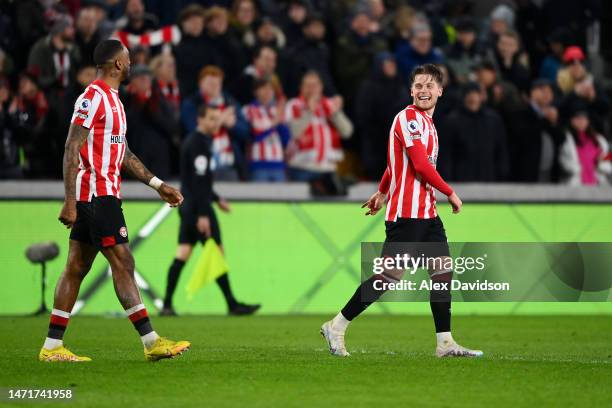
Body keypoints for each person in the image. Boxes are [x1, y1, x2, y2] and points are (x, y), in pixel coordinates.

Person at [39, 39, 189, 362]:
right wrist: (70, 201)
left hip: (101, 194)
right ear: (118, 64)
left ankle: (52, 347)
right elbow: (71, 148)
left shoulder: (115, 102)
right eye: (128, 59)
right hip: (96, 195)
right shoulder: (91, 99)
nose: (131, 63)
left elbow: (123, 154)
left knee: (76, 266)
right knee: (124, 261)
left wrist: (157, 184)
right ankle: (151, 342)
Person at [320, 64, 482, 358]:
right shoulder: (408, 118)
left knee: (442, 271)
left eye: (429, 85)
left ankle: (444, 342)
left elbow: (397, 164)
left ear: (440, 91)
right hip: (407, 214)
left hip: (427, 213)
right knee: (388, 277)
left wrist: (382, 191)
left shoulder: (429, 124)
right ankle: (337, 326)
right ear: (411, 91)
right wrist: (450, 192)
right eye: (418, 85)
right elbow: (419, 165)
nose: (424, 90)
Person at [162, 105, 261, 316]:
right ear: (200, 120)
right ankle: (232, 304)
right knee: (216, 252)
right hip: (198, 208)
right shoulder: (199, 145)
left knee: (183, 253)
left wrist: (217, 198)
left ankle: (167, 305)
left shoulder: (195, 142)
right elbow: (199, 183)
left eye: (217, 119)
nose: (216, 123)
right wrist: (204, 214)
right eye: (211, 119)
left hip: (189, 205)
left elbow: (198, 181)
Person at [181, 65, 249, 181]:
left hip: (229, 166)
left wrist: (232, 125)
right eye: (210, 84)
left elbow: (245, 132)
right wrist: (222, 119)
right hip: (202, 164)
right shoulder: (192, 104)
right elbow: (195, 131)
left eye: (217, 84)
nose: (214, 87)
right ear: (201, 83)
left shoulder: (230, 102)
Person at [284, 70, 353, 182]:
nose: (311, 89)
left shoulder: (329, 104)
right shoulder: (293, 105)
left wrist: (335, 114)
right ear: (301, 87)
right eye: (308, 85)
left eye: (315, 85)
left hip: (328, 169)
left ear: (321, 87)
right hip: (302, 169)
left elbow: (347, 132)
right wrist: (308, 112)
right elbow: (294, 133)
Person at [438, 82, 509, 182]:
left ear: (481, 97)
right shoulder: (452, 121)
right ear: (463, 98)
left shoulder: (493, 119)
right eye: (469, 95)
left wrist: (502, 173)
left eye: (476, 95)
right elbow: (446, 155)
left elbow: (501, 149)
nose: (473, 99)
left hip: (489, 178)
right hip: (461, 180)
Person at [242, 78, 290, 181]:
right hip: (259, 165)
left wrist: (280, 122)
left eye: (270, 88)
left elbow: (285, 138)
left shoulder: (276, 110)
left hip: (278, 164)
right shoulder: (249, 109)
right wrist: (276, 120)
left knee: (280, 196)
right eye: (264, 88)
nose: (268, 91)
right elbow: (257, 133)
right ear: (256, 91)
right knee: (259, 196)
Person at [559, 108, 611, 186]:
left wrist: (602, 161)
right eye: (578, 119)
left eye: (584, 119)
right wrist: (575, 169)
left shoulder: (599, 139)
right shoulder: (565, 138)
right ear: (571, 121)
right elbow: (562, 160)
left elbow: (609, 156)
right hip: (575, 183)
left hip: (598, 182)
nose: (581, 121)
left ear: (588, 121)